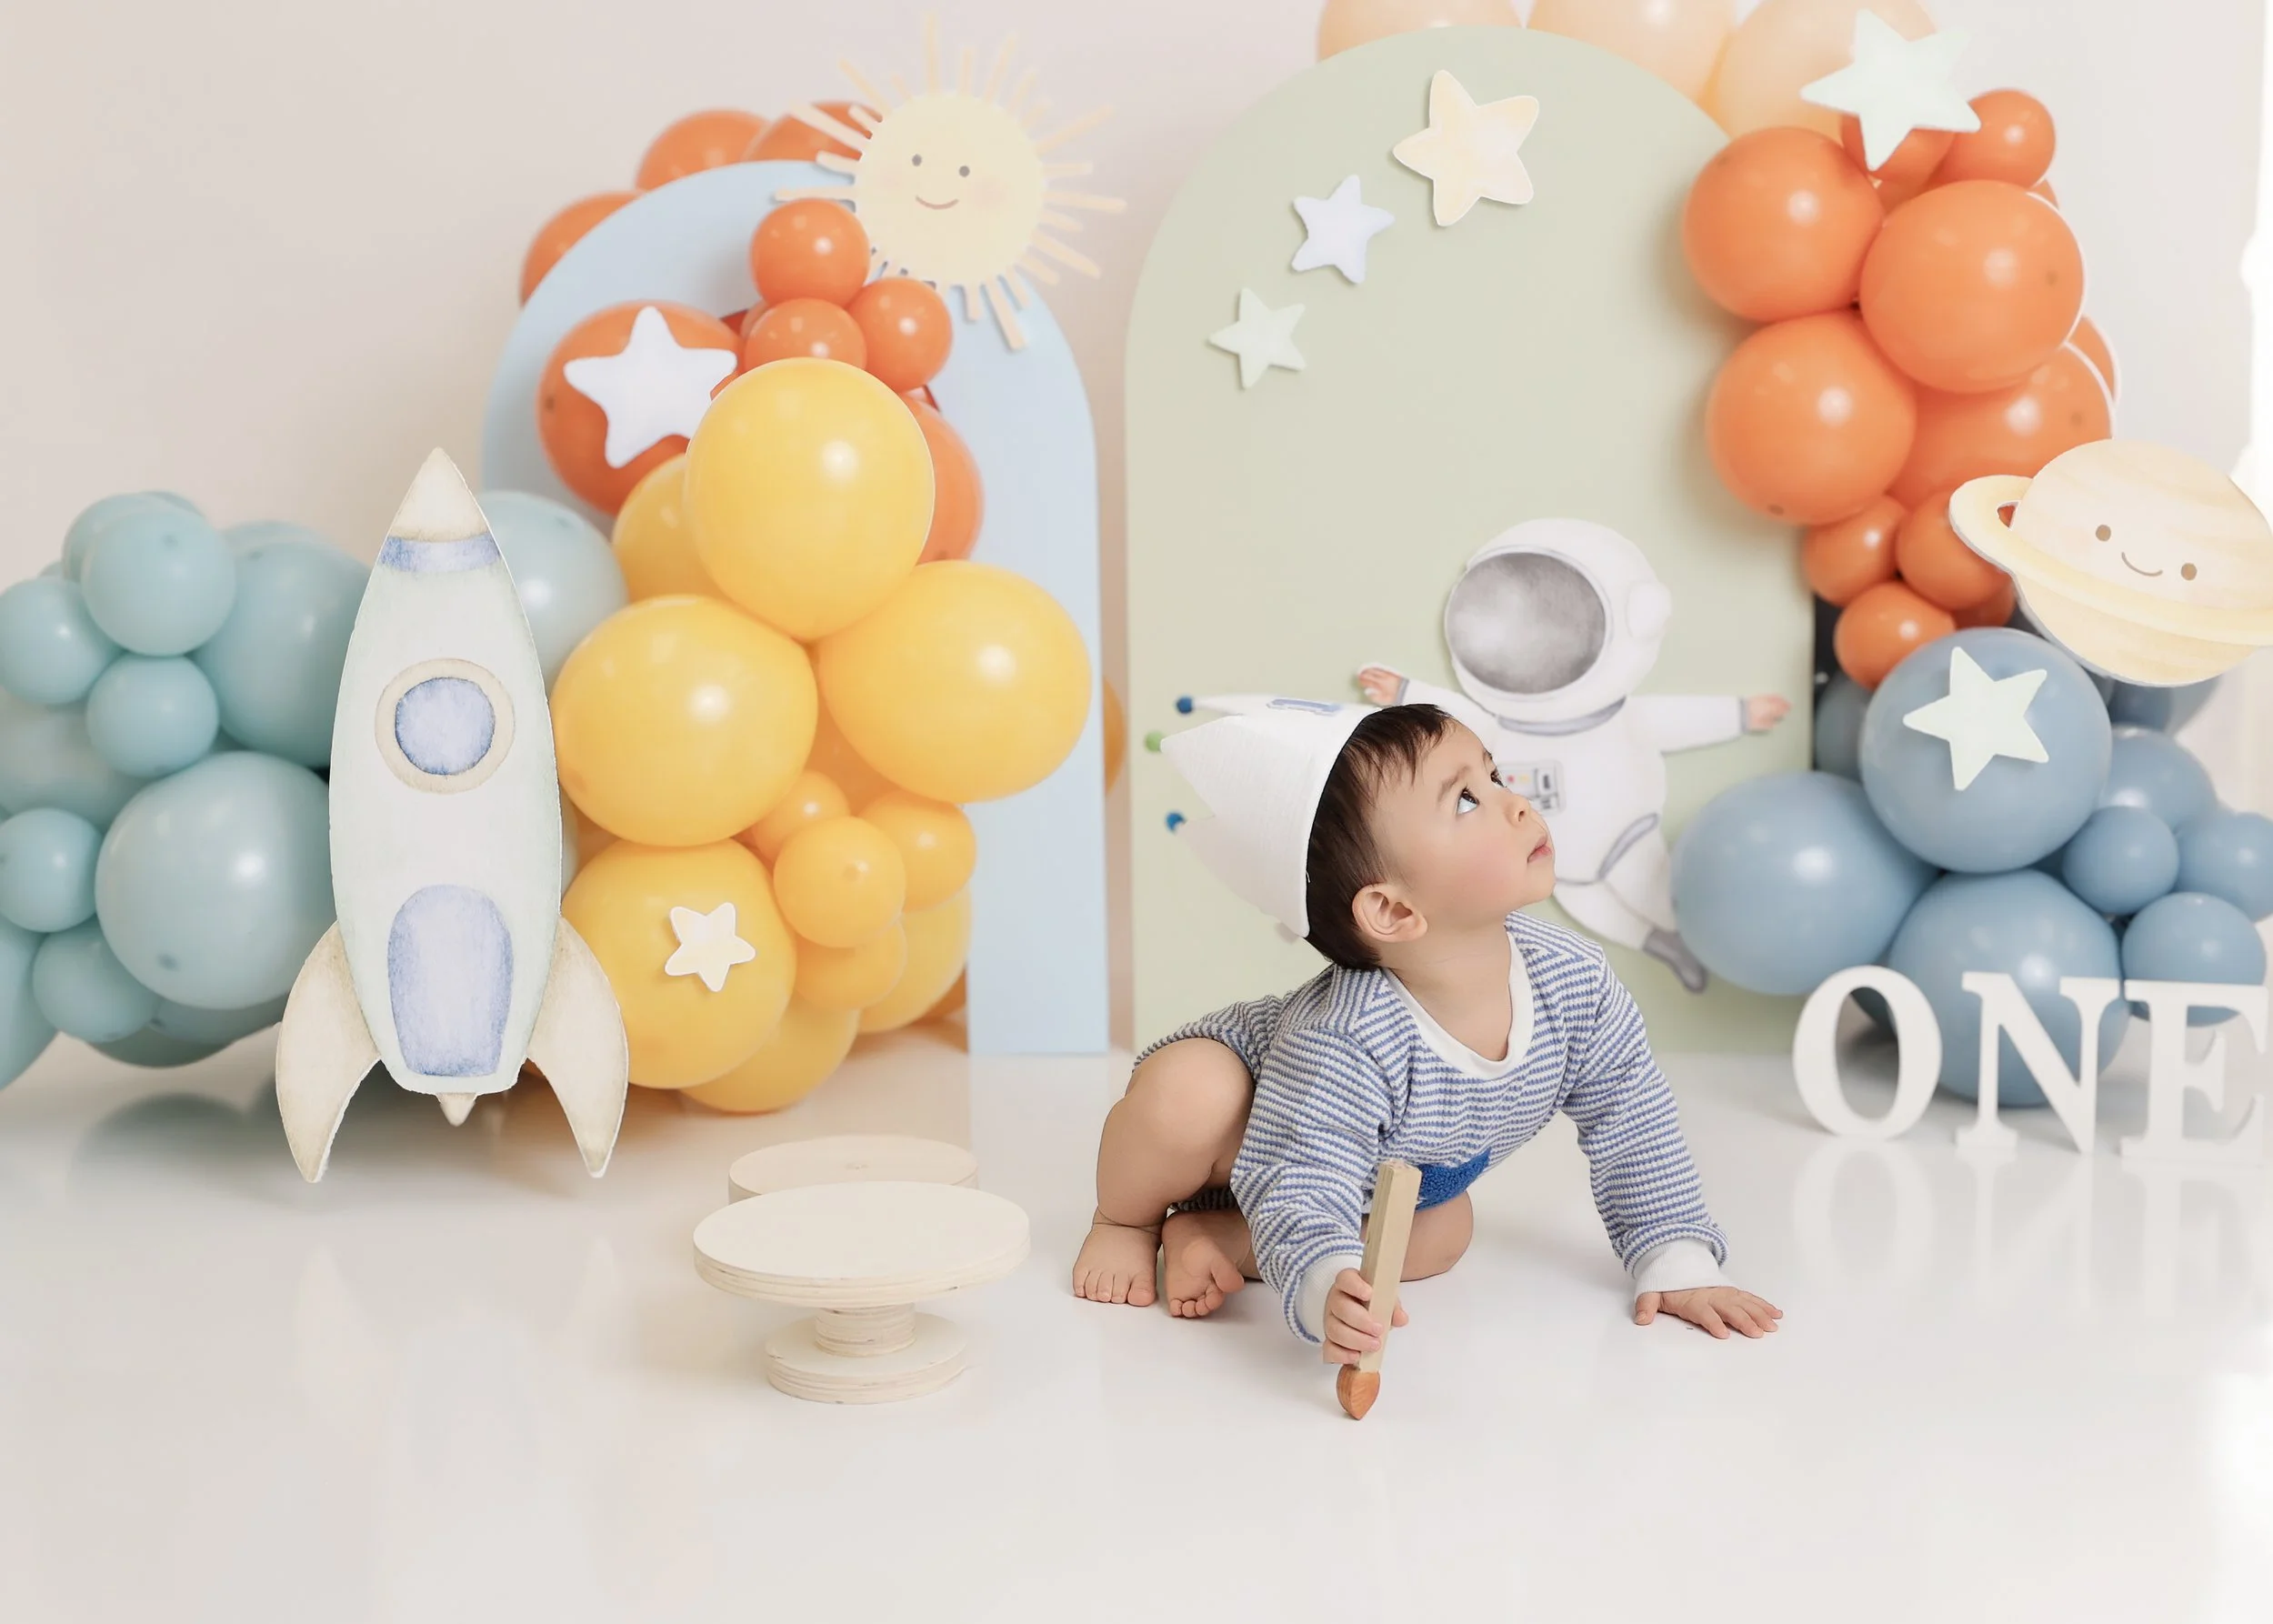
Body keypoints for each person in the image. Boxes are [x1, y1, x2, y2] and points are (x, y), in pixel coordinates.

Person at [1071, 697, 1780, 1363]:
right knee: (1189, 1094)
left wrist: (1674, 1257)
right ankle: (1127, 1222)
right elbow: (1301, 1171)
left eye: (1494, 776)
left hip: (1371, 1172)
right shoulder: (1350, 1034)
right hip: (1251, 1132)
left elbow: (1633, 1115)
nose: (1516, 802)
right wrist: (1320, 1291)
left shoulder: (1575, 983)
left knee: (1444, 1233)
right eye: (1468, 800)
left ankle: (1223, 1237)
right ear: (1393, 911)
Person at [1356, 518, 1789, 992]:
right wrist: (1403, 690)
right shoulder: (1497, 730)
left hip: (1626, 840)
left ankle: (1703, 940)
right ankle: (1665, 947)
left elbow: (1678, 719)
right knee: (1601, 915)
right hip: (1557, 863)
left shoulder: (1620, 719)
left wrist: (1742, 714)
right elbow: (1449, 716)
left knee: (1662, 900)